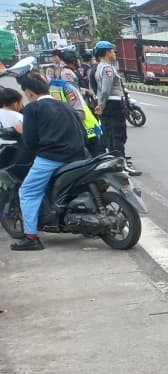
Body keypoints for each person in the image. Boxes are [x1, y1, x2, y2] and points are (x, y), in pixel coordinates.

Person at [10, 72, 89, 251]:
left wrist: (22, 132)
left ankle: (31, 237)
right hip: (78, 155)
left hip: (51, 158)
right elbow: (82, 132)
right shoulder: (64, 105)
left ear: (29, 93)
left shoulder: (32, 109)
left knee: (27, 191)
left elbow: (30, 141)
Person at [92, 40, 137, 174]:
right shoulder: (107, 69)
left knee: (111, 135)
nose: (114, 53)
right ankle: (121, 166)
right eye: (112, 51)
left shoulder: (99, 67)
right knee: (118, 135)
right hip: (114, 104)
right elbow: (105, 90)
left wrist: (100, 104)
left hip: (109, 104)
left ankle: (116, 164)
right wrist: (101, 105)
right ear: (106, 52)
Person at [48, 71, 102, 157]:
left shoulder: (63, 86)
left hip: (87, 128)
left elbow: (80, 113)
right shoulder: (52, 88)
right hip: (76, 132)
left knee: (97, 158)